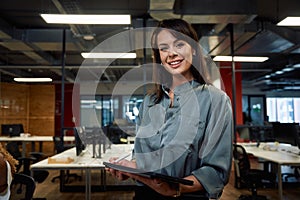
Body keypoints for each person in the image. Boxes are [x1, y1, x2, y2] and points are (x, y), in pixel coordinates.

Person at [107, 18, 233, 200]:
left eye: (179, 44)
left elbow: (217, 173)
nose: (171, 53)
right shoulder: (149, 102)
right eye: (164, 48)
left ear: (194, 51)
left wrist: (175, 189)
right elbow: (140, 156)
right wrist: (129, 168)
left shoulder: (215, 100)